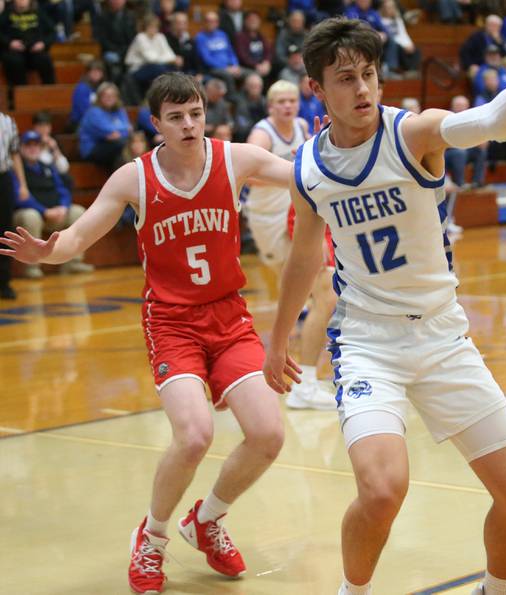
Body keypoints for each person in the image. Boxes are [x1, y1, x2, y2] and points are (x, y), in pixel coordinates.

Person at [265, 17, 506, 595]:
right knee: (381, 489)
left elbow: (492, 122)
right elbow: (303, 259)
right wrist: (277, 342)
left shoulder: (413, 133)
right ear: (318, 90)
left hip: (443, 337)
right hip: (369, 342)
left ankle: (499, 589)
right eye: (345, 78)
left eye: (369, 74)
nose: (363, 89)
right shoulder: (309, 170)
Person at [0, 72, 293, 594]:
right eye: (176, 117)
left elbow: (301, 175)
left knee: (269, 434)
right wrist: (50, 252)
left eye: (196, 113)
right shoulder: (133, 178)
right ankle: (152, 538)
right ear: (155, 123)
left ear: (206, 114)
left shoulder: (236, 159)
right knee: (195, 434)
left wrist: (333, 153)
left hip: (229, 317)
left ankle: (207, 520)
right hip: (173, 324)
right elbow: (82, 234)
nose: (188, 125)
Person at [246, 80, 337, 410]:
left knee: (327, 292)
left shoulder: (302, 126)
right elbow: (249, 174)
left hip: (295, 215)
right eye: (280, 101)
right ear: (270, 106)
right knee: (324, 293)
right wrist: (295, 166)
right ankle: (305, 383)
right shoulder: (262, 134)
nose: (287, 106)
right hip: (270, 223)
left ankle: (309, 380)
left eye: (292, 100)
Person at [12, 130, 93, 278]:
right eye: (28, 145)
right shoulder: (17, 170)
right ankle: (32, 267)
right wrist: (44, 211)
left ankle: (74, 262)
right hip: (30, 213)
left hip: (55, 212)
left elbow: (63, 189)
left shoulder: (48, 167)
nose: (32, 148)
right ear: (21, 148)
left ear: (41, 148)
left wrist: (63, 207)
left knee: (78, 211)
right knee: (30, 216)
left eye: (36, 145)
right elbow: (21, 198)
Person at [0, 110, 29, 300]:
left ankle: (4, 282)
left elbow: (15, 154)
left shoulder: (8, 121)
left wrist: (23, 184)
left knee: (4, 229)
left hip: (3, 178)